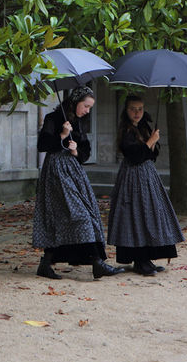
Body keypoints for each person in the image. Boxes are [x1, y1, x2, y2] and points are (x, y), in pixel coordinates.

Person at [32, 85, 125, 280]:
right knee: (77, 215)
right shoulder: (53, 118)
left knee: (79, 215)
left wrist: (76, 152)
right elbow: (42, 145)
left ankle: (48, 263)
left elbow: (85, 151)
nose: (87, 111)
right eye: (86, 106)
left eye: (90, 107)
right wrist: (62, 137)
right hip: (57, 173)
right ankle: (96, 263)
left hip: (74, 172)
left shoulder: (80, 122)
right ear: (75, 102)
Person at [106, 95, 185, 276]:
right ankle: (139, 260)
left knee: (150, 214)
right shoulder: (125, 130)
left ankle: (147, 258)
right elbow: (133, 156)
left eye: (140, 109)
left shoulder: (143, 127)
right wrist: (150, 141)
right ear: (126, 111)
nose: (137, 113)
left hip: (147, 176)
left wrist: (152, 140)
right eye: (133, 109)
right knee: (136, 216)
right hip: (132, 178)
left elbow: (150, 155)